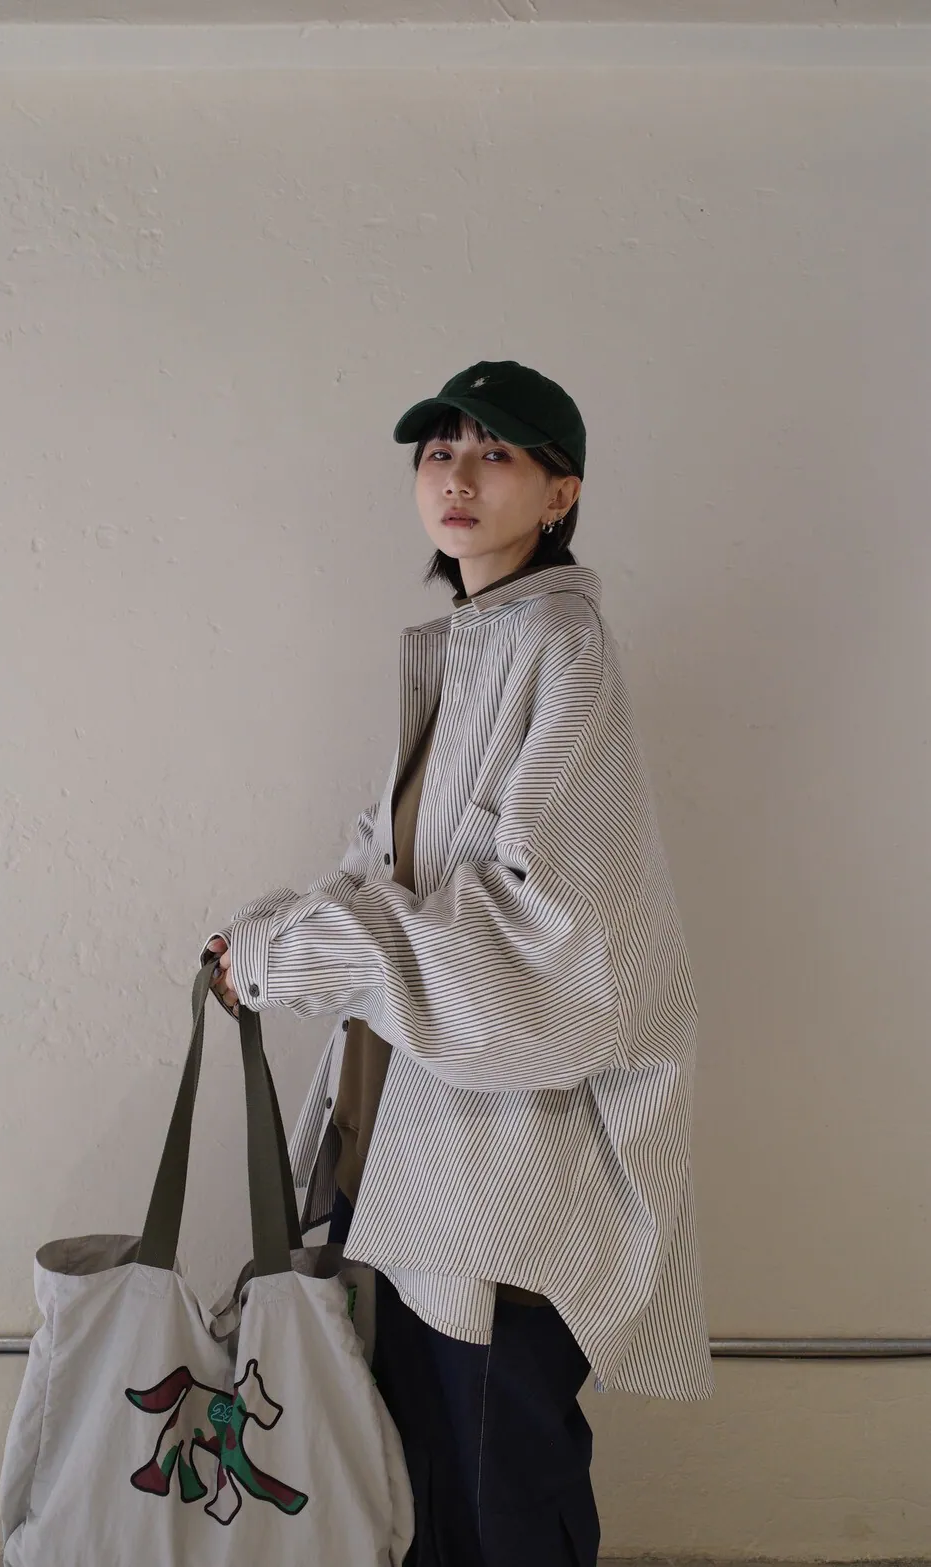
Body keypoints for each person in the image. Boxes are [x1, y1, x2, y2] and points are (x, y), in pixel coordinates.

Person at [203, 359, 714, 1566]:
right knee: (422, 1491)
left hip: (500, 1163)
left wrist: (313, 950)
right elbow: (384, 868)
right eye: (439, 451)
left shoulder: (562, 648)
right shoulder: (469, 649)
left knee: (499, 1498)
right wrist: (269, 943)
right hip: (408, 1145)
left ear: (560, 494)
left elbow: (557, 937)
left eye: (494, 454)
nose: (457, 476)